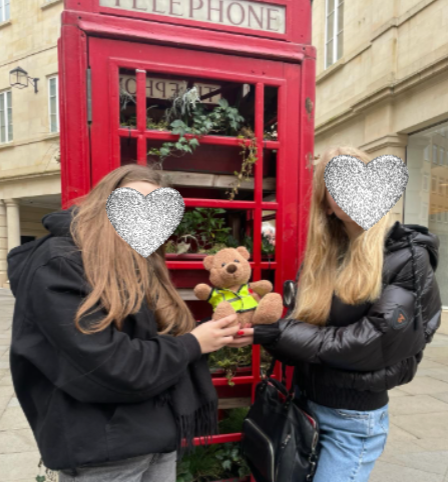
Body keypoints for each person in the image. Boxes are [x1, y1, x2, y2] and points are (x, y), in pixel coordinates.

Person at [7, 164, 249, 481]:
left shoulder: (136, 260)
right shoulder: (61, 262)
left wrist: (213, 336)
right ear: (103, 204)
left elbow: (151, 339)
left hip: (156, 433)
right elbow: (111, 362)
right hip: (103, 447)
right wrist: (194, 343)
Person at [240, 146, 442, 482]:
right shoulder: (323, 260)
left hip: (354, 418)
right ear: (326, 203)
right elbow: (300, 328)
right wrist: (256, 325)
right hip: (304, 404)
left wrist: (277, 334)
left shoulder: (407, 257)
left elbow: (371, 342)